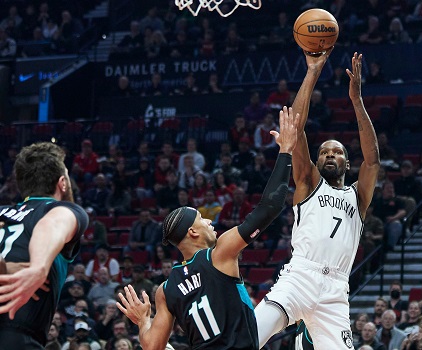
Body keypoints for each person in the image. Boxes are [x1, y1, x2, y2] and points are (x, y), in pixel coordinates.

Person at [116, 106, 298, 349]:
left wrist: (142, 320)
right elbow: (270, 207)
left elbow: (152, 347)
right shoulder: (219, 254)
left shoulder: (166, 289)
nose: (210, 222)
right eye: (202, 219)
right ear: (192, 232)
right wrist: (286, 151)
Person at [255, 51, 380, 349]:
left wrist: (356, 100)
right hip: (301, 277)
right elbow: (295, 132)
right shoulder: (309, 183)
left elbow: (373, 160)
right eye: (324, 151)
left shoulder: (358, 197)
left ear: (347, 163)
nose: (329, 155)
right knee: (248, 336)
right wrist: (312, 72)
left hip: (336, 290)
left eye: (337, 152)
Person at [0, 142, 89, 348]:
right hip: (17, 335)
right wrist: (38, 267)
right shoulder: (65, 211)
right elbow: (51, 223)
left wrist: (5, 266)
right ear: (62, 183)